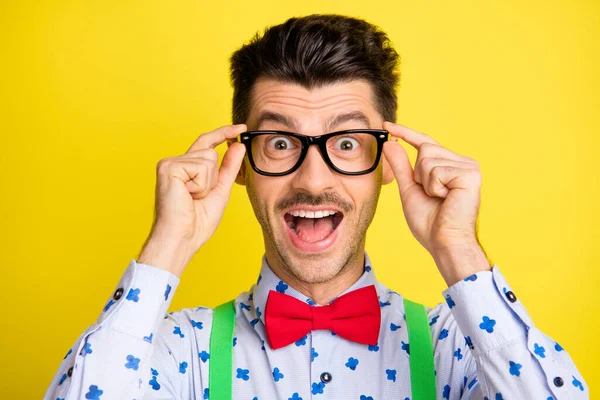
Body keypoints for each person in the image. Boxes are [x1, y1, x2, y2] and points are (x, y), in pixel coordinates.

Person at [44, 14, 587, 400]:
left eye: (346, 143)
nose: (313, 179)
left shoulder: (460, 348)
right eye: (280, 143)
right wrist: (166, 249)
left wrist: (461, 252)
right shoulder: (179, 352)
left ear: (385, 165)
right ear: (240, 165)